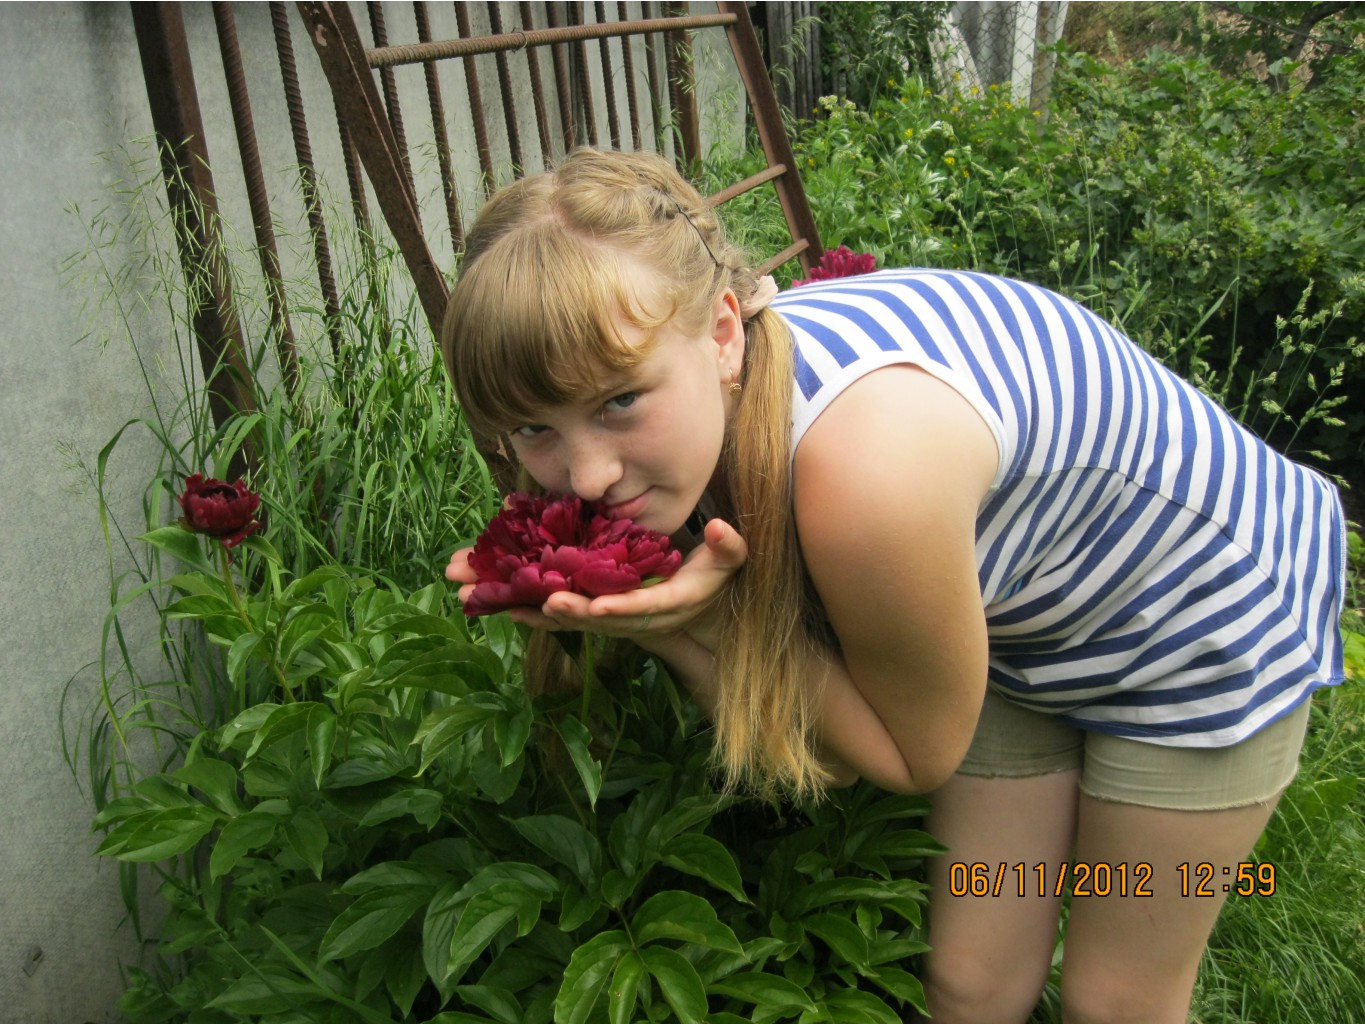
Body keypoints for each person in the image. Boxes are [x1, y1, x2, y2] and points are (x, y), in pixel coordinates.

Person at [440, 148, 1347, 1024]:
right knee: (968, 986)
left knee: (1116, 1003)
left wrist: (688, 623)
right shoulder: (712, 394)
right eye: (534, 428)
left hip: (1197, 623)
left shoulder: (865, 475)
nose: (586, 476)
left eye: (618, 401)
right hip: (1015, 617)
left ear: (720, 332)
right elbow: (840, 744)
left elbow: (909, 760)